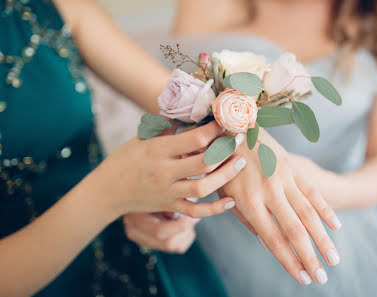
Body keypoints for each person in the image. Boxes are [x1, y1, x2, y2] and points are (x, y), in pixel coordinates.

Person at [149, 0, 377, 296]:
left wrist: (319, 189)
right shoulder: (207, 6)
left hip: (344, 197)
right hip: (221, 206)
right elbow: (177, 116)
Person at [0, 0, 248, 296]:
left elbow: (184, 100)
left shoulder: (47, 8)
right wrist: (110, 194)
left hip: (130, 252)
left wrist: (257, 146)